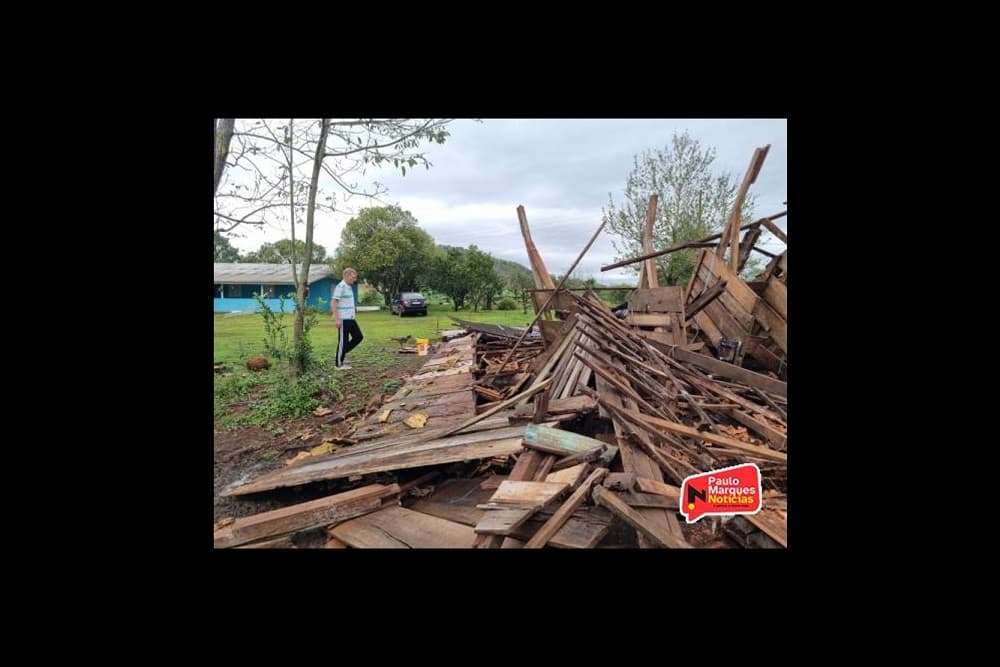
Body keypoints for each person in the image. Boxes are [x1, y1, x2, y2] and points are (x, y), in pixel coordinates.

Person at [332, 268, 363, 369]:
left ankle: (340, 353)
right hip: (343, 319)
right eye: (353, 277)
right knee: (343, 341)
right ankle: (338, 364)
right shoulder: (341, 286)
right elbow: (333, 302)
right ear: (346, 276)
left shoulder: (348, 287)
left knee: (358, 337)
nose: (354, 279)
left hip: (351, 318)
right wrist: (337, 319)